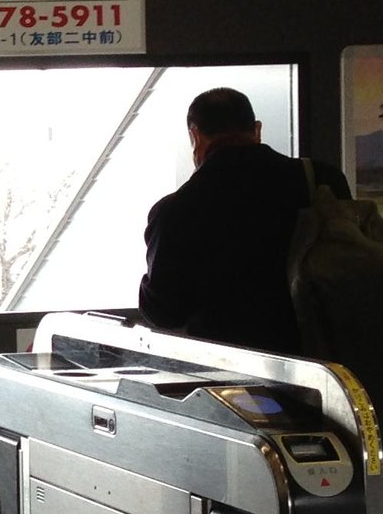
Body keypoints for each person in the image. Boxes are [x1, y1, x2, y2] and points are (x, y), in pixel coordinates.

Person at [138, 86, 353, 354]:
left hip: (233, 370)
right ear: (257, 129)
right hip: (325, 358)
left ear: (195, 136)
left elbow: (164, 313)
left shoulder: (176, 210)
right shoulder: (321, 180)